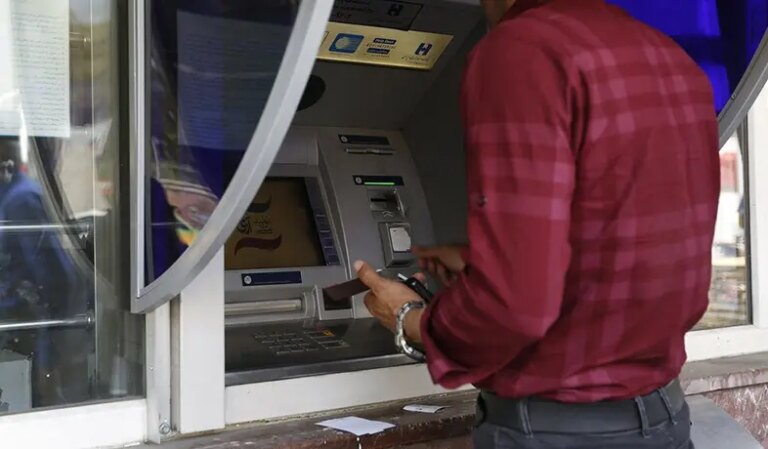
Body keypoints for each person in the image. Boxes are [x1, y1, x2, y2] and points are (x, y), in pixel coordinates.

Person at [354, 0, 720, 448]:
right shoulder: (667, 55)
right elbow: (636, 246)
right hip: (664, 419)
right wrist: (489, 262)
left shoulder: (523, 50)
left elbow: (516, 308)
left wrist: (411, 320)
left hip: (557, 431)